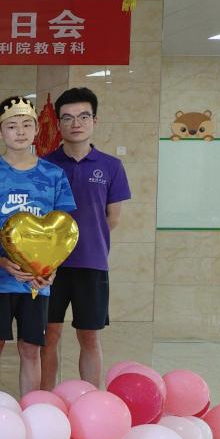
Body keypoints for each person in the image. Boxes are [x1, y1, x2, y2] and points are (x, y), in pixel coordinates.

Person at [0, 96, 76, 395]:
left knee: (31, 348)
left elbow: (64, 229)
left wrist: (50, 269)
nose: (20, 131)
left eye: (26, 125)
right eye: (12, 126)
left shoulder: (53, 175)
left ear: (37, 129)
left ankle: (30, 411)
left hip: (37, 282)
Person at [42, 88, 131, 390]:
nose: (75, 123)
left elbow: (112, 218)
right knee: (49, 335)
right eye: (67, 118)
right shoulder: (45, 165)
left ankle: (92, 397)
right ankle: (46, 398)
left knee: (89, 335)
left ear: (95, 120)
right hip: (50, 266)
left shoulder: (111, 166)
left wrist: (88, 240)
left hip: (92, 263)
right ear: (58, 124)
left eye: (83, 116)